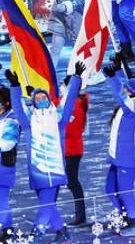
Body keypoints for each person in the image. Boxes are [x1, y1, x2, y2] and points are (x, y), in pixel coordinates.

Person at [8, 61, 85, 242]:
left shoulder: (59, 119)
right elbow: (18, 108)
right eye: (38, 98)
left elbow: (69, 100)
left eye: (44, 96)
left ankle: (36, 234)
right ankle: (62, 232)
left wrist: (76, 78)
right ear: (34, 102)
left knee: (46, 204)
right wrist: (15, 87)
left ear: (49, 99)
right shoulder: (28, 122)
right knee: (48, 204)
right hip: (37, 170)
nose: (41, 99)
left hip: (54, 169)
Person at [100, 62, 135, 236]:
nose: (124, 90)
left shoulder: (134, 108)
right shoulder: (134, 102)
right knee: (110, 190)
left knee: (125, 192)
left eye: (127, 89)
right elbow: (126, 89)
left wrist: (112, 78)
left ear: (131, 93)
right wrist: (117, 71)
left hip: (128, 157)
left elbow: (121, 96)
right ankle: (126, 216)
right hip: (118, 156)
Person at [61, 75, 89, 227]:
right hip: (68, 148)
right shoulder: (70, 102)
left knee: (72, 182)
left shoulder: (76, 105)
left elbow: (71, 129)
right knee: (70, 182)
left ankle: (80, 216)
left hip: (72, 149)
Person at [0, 84, 21, 238]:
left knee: (1, 201)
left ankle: (7, 232)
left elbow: (8, 144)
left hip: (4, 167)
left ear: (6, 103)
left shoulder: (11, 120)